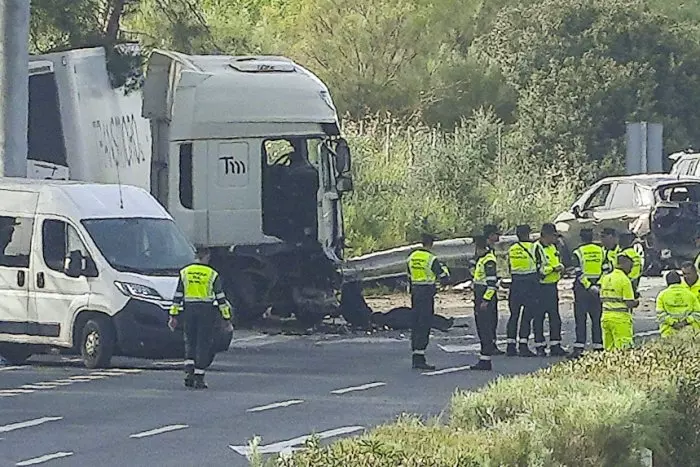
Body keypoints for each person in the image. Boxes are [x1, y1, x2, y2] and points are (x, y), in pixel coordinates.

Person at [169, 247, 233, 389]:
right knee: (203, 344)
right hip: (206, 311)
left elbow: (178, 296)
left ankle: (188, 373)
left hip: (189, 310)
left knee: (190, 342)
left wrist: (173, 316)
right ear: (207, 257)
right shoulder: (212, 274)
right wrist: (226, 319)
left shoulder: (185, 272)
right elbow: (220, 298)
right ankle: (199, 377)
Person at [406, 233, 450, 370]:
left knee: (416, 323)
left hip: (415, 293)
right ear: (431, 244)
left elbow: (408, 275)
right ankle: (420, 357)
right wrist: (445, 271)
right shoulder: (431, 259)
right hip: (426, 294)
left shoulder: (411, 257)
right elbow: (443, 277)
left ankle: (415, 356)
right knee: (424, 324)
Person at [569, 228, 605, 358]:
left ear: (581, 238)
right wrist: (598, 285)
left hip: (582, 290)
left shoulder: (578, 252)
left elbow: (579, 273)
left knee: (581, 319)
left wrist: (589, 286)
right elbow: (606, 269)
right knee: (597, 319)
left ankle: (579, 348)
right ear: (592, 237)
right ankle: (598, 347)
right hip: (597, 288)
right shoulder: (601, 251)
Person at [533, 223, 567, 357]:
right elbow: (538, 269)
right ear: (546, 235)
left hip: (552, 286)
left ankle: (555, 345)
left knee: (555, 318)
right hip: (540, 287)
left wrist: (560, 269)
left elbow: (556, 262)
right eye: (553, 236)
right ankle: (540, 346)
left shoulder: (553, 247)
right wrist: (553, 269)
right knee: (539, 317)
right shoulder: (536, 248)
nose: (555, 239)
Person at [505, 224, 538, 357]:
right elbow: (540, 264)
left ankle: (510, 346)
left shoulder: (512, 249)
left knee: (514, 316)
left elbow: (509, 266)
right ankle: (523, 346)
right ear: (527, 234)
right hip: (530, 284)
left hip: (515, 284)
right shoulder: (534, 247)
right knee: (527, 316)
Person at [470, 235, 498, 370]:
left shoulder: (488, 260)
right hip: (480, 297)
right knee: (482, 329)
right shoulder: (482, 259)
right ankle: (484, 358)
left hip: (484, 299)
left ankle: (486, 360)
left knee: (485, 329)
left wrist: (485, 300)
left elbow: (492, 284)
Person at [599, 254, 638, 351]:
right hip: (620, 320)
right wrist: (636, 302)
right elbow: (629, 303)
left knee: (609, 350)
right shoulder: (625, 280)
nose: (631, 270)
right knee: (624, 350)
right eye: (630, 266)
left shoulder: (605, 278)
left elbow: (601, 297)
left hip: (606, 317)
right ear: (624, 264)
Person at [655, 270, 700, 338]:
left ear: (667, 282)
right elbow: (697, 313)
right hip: (689, 333)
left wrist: (673, 323)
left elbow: (660, 315)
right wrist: (685, 322)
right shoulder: (691, 294)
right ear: (680, 281)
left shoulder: (662, 295)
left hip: (668, 333)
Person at [483, 224, 504, 355]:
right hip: (486, 288)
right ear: (490, 235)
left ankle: (492, 343)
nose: (498, 237)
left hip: (489, 285)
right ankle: (489, 345)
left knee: (493, 317)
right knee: (489, 318)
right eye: (496, 234)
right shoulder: (485, 250)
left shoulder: (490, 249)